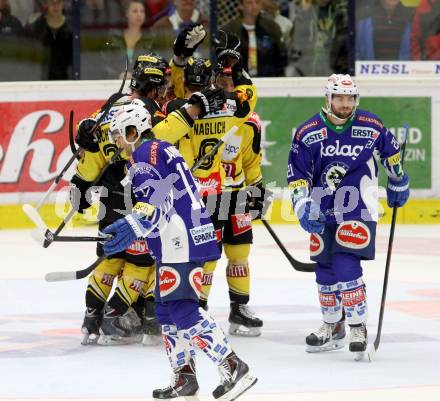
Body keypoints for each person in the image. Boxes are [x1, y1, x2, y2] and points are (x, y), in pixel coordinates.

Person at [102, 103, 257, 400]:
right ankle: (184, 377)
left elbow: (154, 204)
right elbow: (165, 196)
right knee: (165, 309)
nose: (116, 142)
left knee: (183, 308)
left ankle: (233, 366)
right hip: (181, 238)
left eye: (119, 135)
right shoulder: (159, 149)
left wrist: (133, 224)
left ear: (133, 131)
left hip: (180, 241)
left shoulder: (143, 155)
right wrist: (136, 225)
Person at [287, 74, 410, 358]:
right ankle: (333, 325)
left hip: (358, 204)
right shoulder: (308, 132)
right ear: (327, 99)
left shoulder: (370, 125)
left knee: (345, 263)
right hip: (321, 204)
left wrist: (398, 180)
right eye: (339, 98)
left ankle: (357, 325)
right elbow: (297, 174)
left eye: (350, 98)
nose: (345, 104)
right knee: (324, 268)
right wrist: (303, 204)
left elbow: (391, 153)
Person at [155, 29, 263, 336]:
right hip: (205, 196)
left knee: (239, 252)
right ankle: (198, 309)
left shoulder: (231, 109)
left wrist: (256, 186)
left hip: (235, 192)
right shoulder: (195, 109)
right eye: (223, 78)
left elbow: (250, 153)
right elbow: (177, 104)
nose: (227, 83)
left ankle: (239, 308)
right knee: (209, 256)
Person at [222, 0, 287, 77]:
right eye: (249, 2)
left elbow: (281, 56)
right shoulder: (230, 30)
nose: (254, 6)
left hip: (268, 78)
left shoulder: (271, 28)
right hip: (238, 79)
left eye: (257, 2)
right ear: (241, 6)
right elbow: (223, 59)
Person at [287, 0, 348, 77]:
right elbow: (294, 46)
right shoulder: (303, 15)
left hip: (334, 72)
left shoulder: (340, 15)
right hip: (306, 72)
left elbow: (345, 42)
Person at [104, 0, 153, 79]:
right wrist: (118, 75)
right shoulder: (115, 37)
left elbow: (156, 66)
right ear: (127, 13)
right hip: (115, 85)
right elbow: (106, 65)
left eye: (142, 11)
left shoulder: (150, 38)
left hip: (142, 87)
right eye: (135, 11)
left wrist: (139, 77)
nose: (139, 14)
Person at [25, 0, 73, 80]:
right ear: (46, 4)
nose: (55, 6)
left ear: (63, 4)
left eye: (58, 2)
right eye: (52, 2)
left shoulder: (72, 29)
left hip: (66, 82)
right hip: (40, 80)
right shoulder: (37, 27)